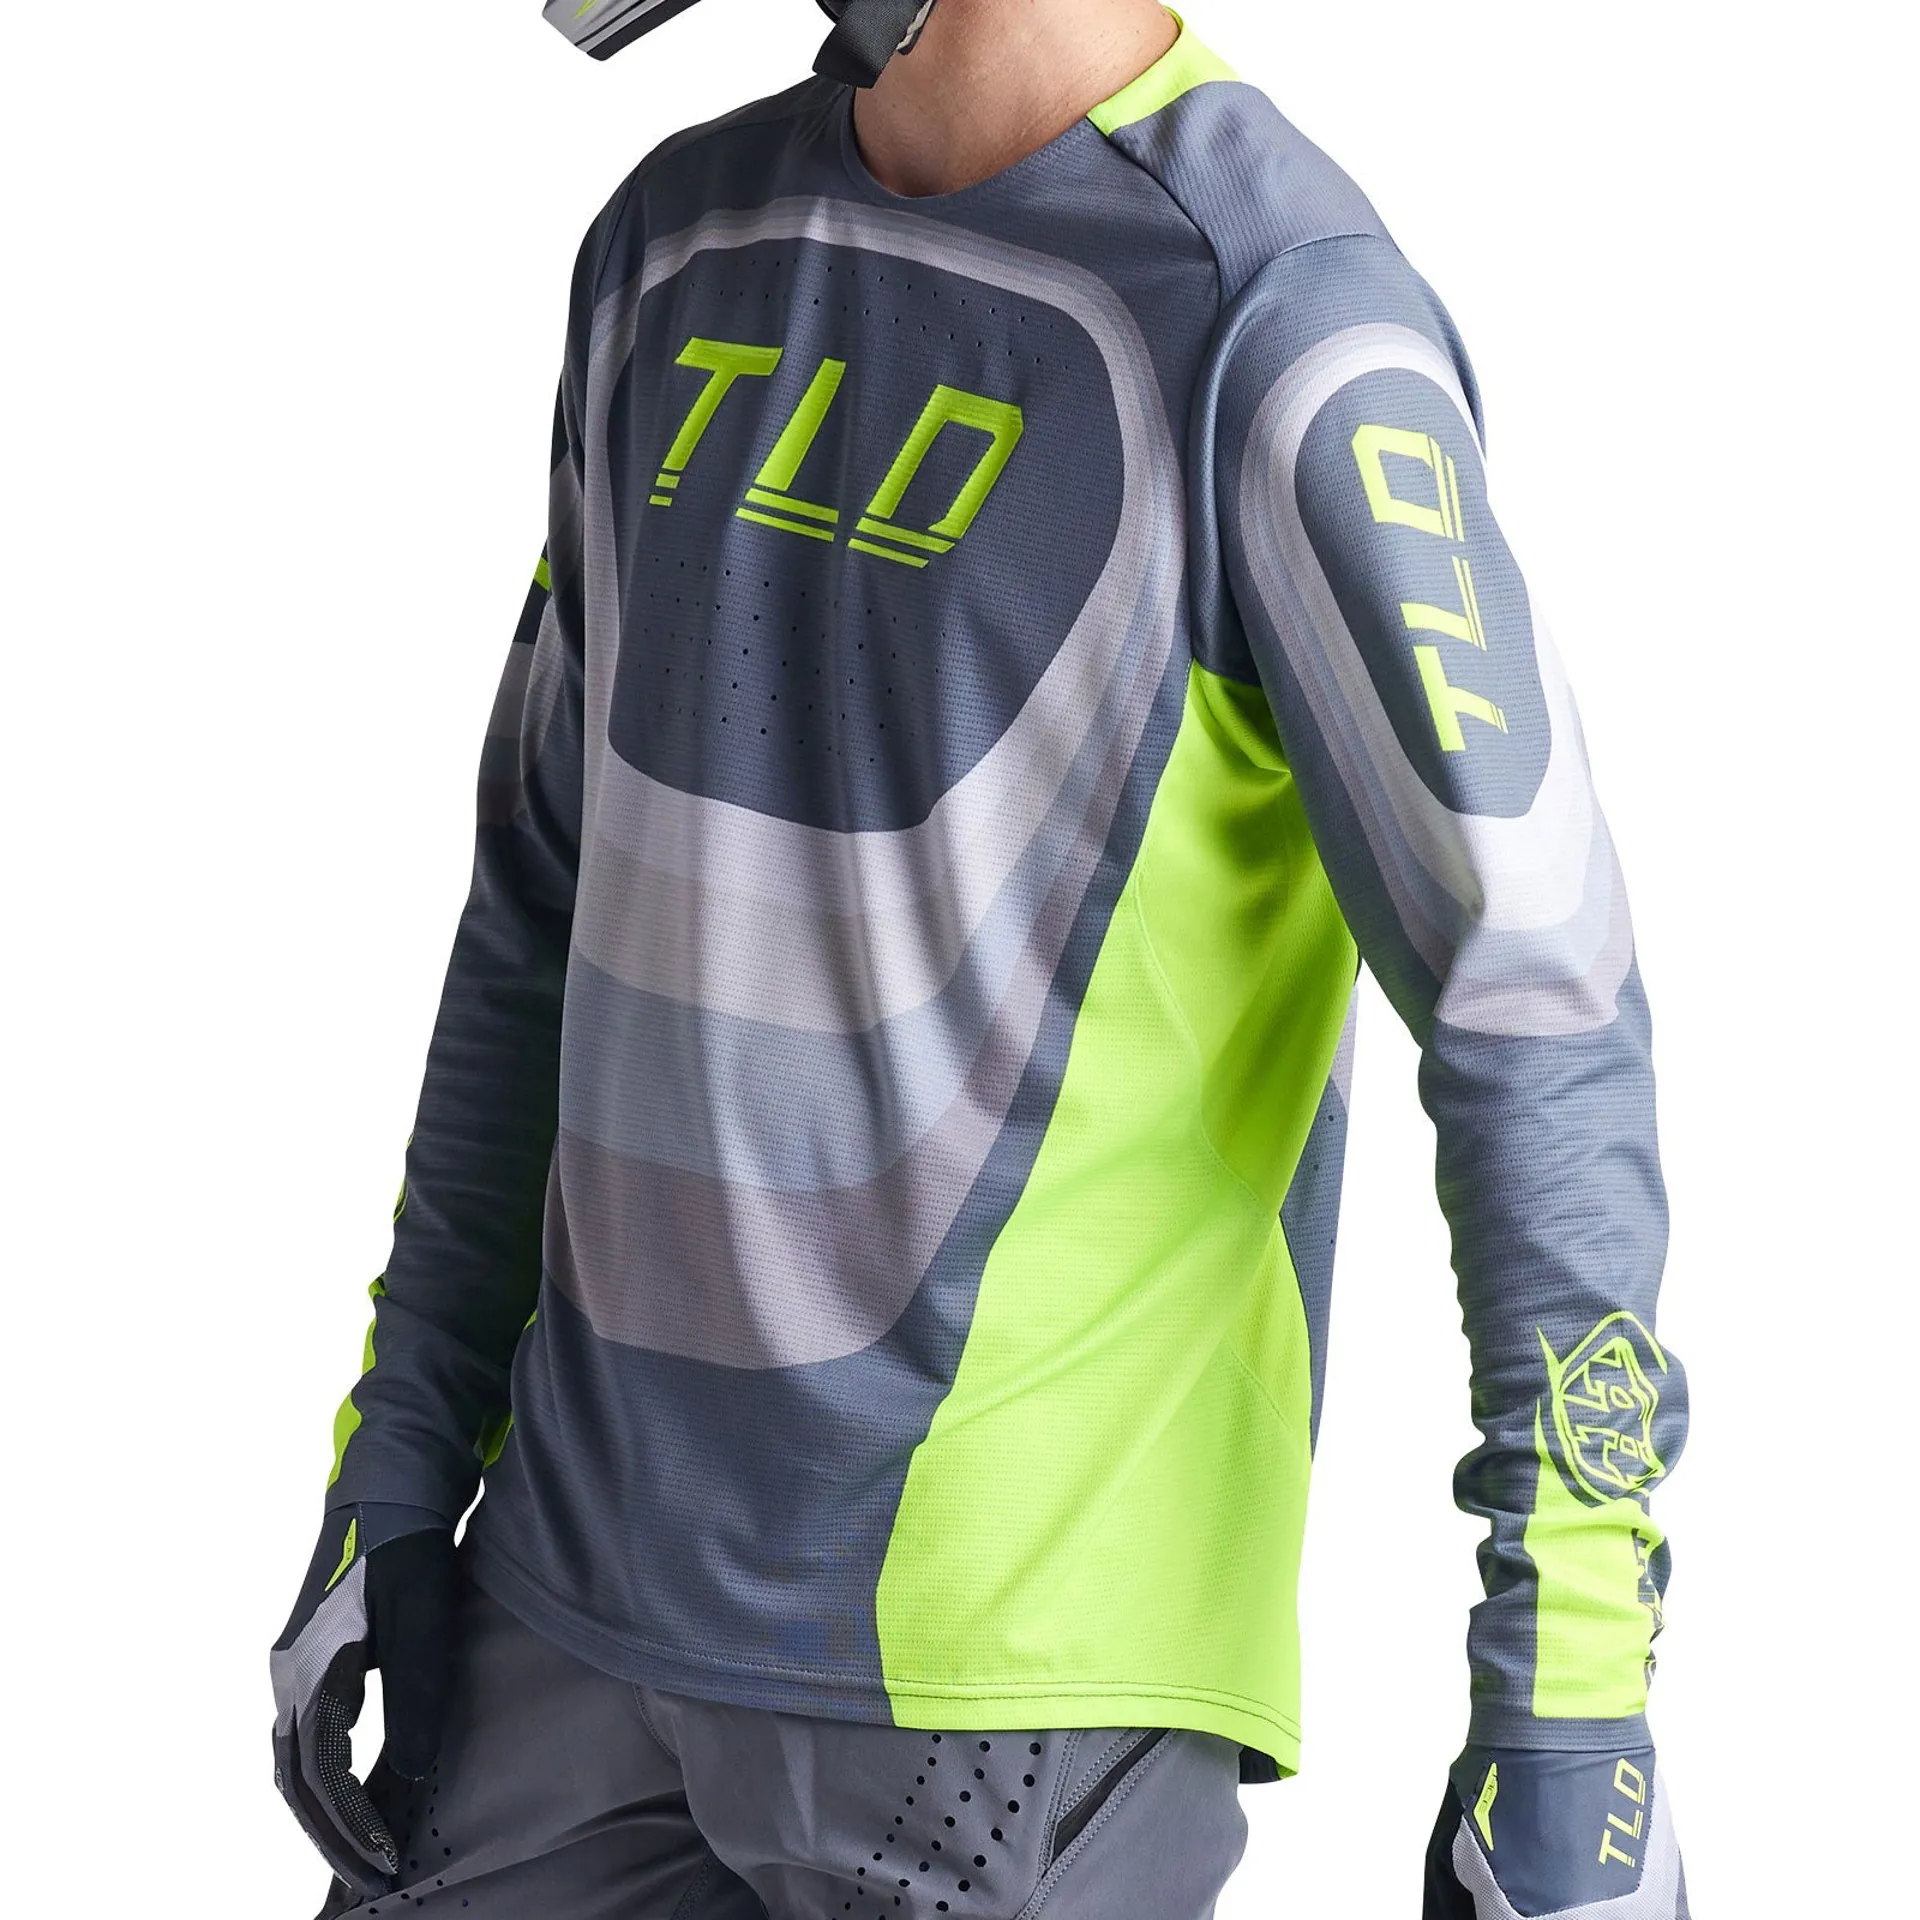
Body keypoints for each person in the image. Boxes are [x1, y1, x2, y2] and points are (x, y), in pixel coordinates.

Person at [269, 1, 1693, 1914]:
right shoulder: (668, 248)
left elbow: (1538, 1009)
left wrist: (1576, 1712)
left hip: (1007, 1678)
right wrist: (398, 1450)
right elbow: (541, 904)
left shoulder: (1279, 322)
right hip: (565, 1608)